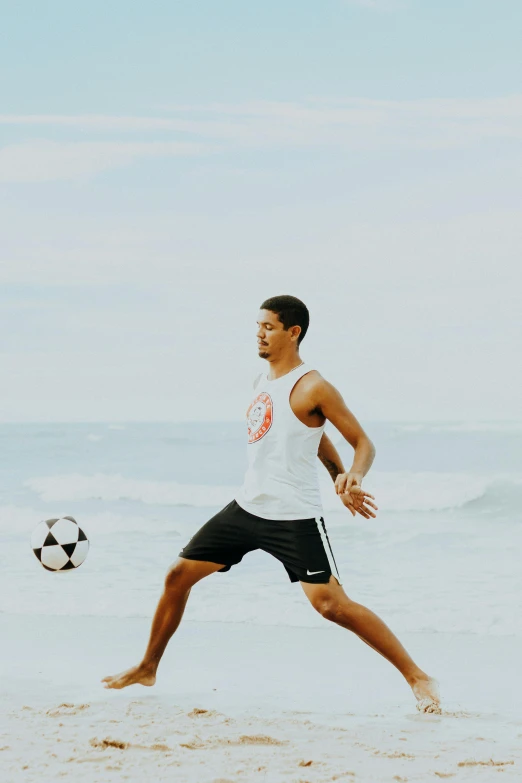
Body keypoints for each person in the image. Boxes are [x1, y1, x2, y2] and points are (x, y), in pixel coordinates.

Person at [102, 294, 440, 713]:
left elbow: (363, 443)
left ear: (293, 332)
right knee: (177, 576)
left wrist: (351, 475)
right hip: (246, 508)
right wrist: (335, 472)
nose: (259, 334)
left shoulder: (314, 386)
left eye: (268, 327)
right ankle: (147, 667)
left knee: (331, 606)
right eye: (257, 327)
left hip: (293, 516)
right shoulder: (261, 381)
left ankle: (417, 676)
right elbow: (308, 436)